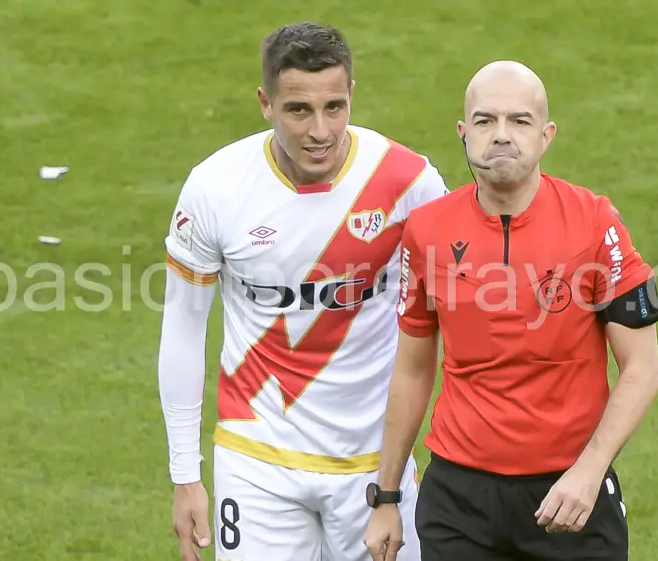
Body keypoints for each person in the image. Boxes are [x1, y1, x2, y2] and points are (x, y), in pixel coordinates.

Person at [157, 22, 449, 561]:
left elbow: (458, 321)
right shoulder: (216, 187)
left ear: (352, 95)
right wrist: (184, 477)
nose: (321, 130)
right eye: (298, 110)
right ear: (266, 103)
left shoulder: (408, 182)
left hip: (376, 468)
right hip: (256, 460)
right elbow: (182, 326)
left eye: (335, 107)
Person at [363, 60, 658, 561]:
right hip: (458, 501)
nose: (501, 135)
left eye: (519, 121)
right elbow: (413, 370)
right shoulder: (426, 230)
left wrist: (589, 473)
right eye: (485, 121)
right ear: (463, 133)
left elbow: (643, 369)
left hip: (569, 494)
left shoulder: (594, 223)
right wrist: (387, 496)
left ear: (546, 135)